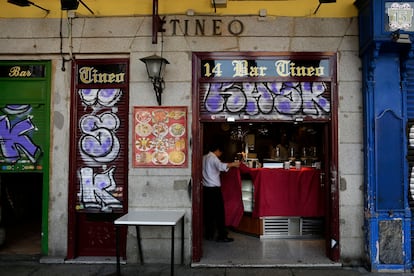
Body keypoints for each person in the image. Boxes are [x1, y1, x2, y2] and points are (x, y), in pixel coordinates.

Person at [203, 142, 240, 242]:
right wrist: (234, 164)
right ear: (218, 150)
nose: (221, 154)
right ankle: (222, 236)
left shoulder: (204, 157)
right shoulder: (213, 158)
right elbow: (221, 166)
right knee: (219, 213)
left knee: (208, 213)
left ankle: (209, 234)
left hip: (206, 189)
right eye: (221, 152)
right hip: (214, 190)